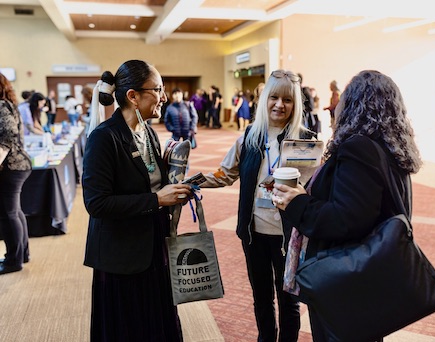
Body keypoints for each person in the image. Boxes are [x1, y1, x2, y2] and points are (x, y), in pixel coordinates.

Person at [271, 70, 422, 341]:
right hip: (373, 275)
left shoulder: (359, 148)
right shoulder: (392, 149)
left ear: (353, 104)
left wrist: (298, 202)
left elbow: (345, 219)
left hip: (348, 280)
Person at [82, 59, 192, 341]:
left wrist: (176, 185)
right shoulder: (104, 138)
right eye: (158, 89)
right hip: (122, 255)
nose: (164, 97)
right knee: (128, 327)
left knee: (155, 321)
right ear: (133, 96)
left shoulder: (149, 132)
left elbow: (151, 181)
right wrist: (156, 200)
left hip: (153, 246)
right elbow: (96, 204)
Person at [200, 70, 314, 342]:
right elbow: (225, 174)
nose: (279, 105)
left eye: (287, 100)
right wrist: (191, 182)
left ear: (295, 105)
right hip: (254, 234)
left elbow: (313, 190)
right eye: (274, 97)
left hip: (289, 236)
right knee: (261, 297)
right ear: (264, 99)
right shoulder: (250, 136)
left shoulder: (305, 141)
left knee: (289, 301)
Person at [0, 73, 32, 274]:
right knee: (15, 212)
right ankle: (22, 254)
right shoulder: (9, 104)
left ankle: (13, 260)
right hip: (18, 164)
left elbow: (8, 135)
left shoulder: (1, 106)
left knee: (8, 214)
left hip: (11, 166)